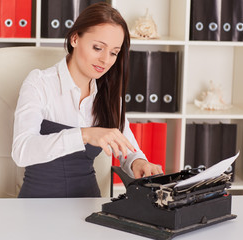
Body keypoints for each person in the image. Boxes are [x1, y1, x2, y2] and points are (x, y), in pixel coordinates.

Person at [11, 2, 163, 198]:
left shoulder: (108, 95)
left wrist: (138, 162)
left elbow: (127, 149)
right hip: (37, 205)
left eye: (114, 52)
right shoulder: (40, 83)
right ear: (75, 38)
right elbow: (22, 151)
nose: (105, 60)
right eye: (98, 48)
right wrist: (84, 135)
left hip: (87, 205)